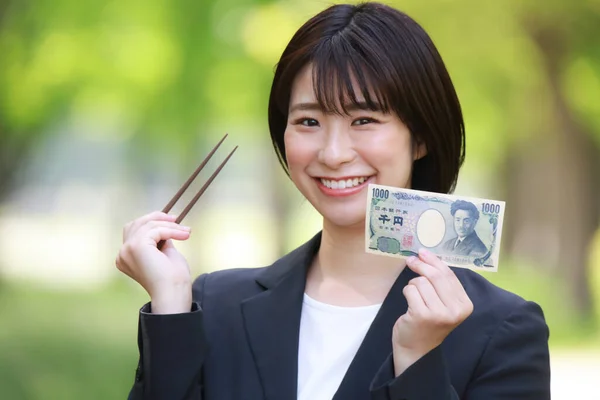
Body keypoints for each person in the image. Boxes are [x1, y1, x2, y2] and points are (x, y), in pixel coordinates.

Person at [116, 3, 550, 399]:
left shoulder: (502, 330)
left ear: (419, 138)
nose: (334, 153)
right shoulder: (212, 305)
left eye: (364, 119)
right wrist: (170, 308)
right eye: (308, 121)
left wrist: (418, 363)